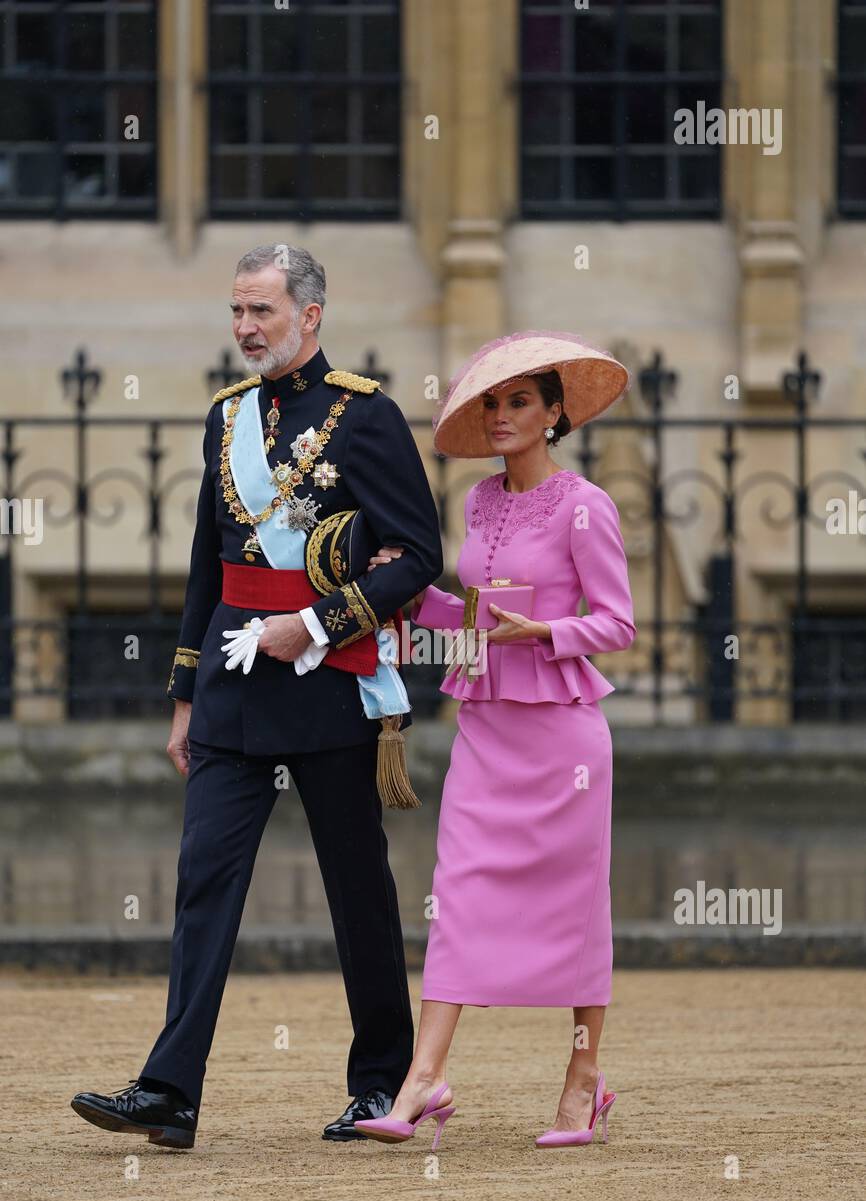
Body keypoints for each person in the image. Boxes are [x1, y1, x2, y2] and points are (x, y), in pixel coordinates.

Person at [70, 243, 443, 1149]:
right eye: (237, 312)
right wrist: (185, 695)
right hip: (235, 693)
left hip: (328, 686)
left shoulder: (368, 417)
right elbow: (211, 566)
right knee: (202, 884)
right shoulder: (224, 418)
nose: (245, 330)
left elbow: (422, 558)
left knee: (357, 890)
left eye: (262, 313)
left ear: (310, 315)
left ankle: (380, 1086)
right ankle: (170, 1092)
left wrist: (317, 625)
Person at [353, 330, 636, 1150]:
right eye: (494, 402)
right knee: (461, 893)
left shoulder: (587, 505)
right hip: (485, 728)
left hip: (564, 742)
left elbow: (617, 623)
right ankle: (422, 1079)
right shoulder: (477, 502)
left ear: (555, 415)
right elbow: (471, 614)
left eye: (521, 401)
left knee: (579, 911)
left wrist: (540, 631)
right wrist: (402, 594)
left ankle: (584, 1081)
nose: (504, 414)